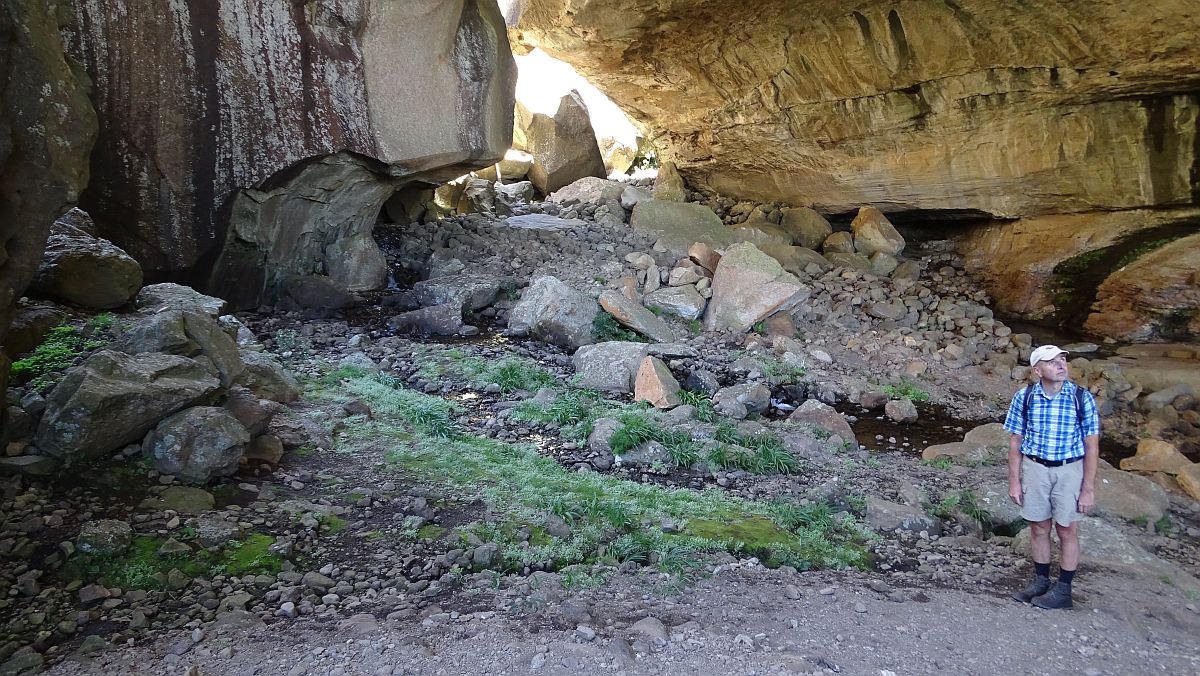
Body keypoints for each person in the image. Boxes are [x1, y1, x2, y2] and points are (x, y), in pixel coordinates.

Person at [1003, 344, 1100, 609]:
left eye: (1062, 360)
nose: (1060, 365)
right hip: (1035, 468)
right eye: (1052, 361)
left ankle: (1064, 591)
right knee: (1038, 526)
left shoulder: (1082, 398)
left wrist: (1087, 488)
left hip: (1069, 469)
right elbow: (1015, 442)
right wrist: (1014, 480)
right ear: (1037, 370)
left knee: (1067, 528)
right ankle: (1041, 581)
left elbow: (1092, 446)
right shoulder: (1025, 397)